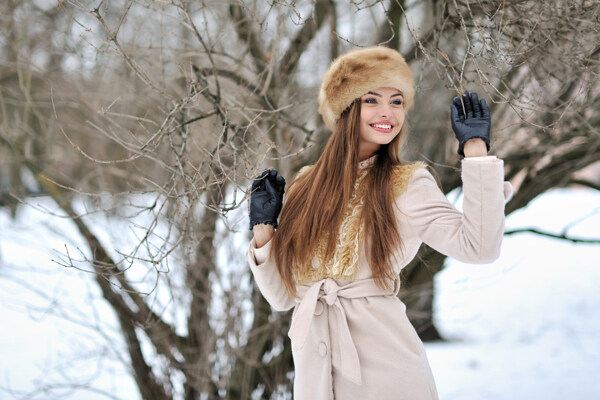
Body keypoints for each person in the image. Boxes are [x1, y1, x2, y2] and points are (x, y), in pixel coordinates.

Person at [247, 46, 512, 400]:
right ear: (346, 108)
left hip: (389, 377)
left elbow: (480, 248)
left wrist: (476, 152)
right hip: (315, 380)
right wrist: (264, 229)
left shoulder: (407, 184)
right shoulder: (304, 186)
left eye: (397, 101)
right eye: (372, 100)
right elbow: (283, 297)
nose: (387, 112)